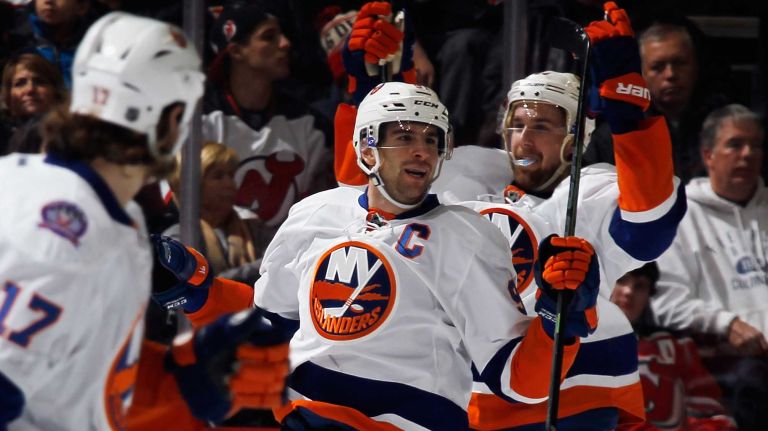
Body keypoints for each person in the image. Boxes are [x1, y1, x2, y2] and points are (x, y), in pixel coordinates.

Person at [0, 12, 288, 430]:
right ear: (173, 121)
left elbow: (67, 367)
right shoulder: (66, 232)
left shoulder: (74, 196)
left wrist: (175, 380)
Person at [649, 104, 768, 431]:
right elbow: (667, 303)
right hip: (724, 361)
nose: (748, 154)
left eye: (756, 145)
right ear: (708, 155)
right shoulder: (680, 216)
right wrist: (727, 324)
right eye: (735, 144)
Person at [203, 0, 334, 257]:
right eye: (269, 37)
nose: (285, 43)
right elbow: (177, 200)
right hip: (217, 257)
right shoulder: (201, 120)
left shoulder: (312, 124)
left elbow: (327, 206)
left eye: (282, 34)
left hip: (293, 257)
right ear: (236, 51)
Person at [583, 21, 732, 184]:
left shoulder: (725, 128)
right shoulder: (617, 134)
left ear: (696, 66)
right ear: (641, 73)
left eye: (680, 63)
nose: (670, 74)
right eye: (657, 67)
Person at [610, 263, 737, 431]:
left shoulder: (674, 346)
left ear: (650, 295)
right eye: (621, 280)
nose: (628, 291)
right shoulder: (580, 344)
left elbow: (710, 411)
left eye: (640, 286)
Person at [164, 141, 262, 284]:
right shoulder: (177, 238)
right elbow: (203, 284)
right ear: (193, 185)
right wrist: (262, 266)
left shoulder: (256, 230)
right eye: (218, 176)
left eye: (231, 175)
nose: (230, 184)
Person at [0, 52, 66, 154]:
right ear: (8, 96)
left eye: (39, 82)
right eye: (20, 83)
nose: (30, 89)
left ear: (55, 91)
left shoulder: (70, 135)